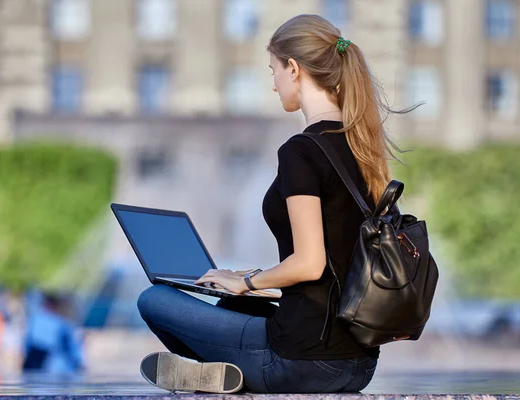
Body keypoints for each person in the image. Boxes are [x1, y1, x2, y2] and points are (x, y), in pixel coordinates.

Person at [137, 14, 407, 394]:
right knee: (232, 305)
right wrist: (249, 285)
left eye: (273, 71)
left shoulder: (302, 151)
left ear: (294, 69)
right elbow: (334, 269)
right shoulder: (362, 150)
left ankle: (222, 373)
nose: (274, 85)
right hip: (357, 365)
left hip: (301, 361)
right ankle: (220, 372)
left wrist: (246, 281)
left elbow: (310, 263)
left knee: (155, 299)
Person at [21, 292, 84, 375]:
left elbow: (27, 345)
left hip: (36, 369)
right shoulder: (62, 323)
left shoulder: (34, 320)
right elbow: (73, 350)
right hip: (58, 369)